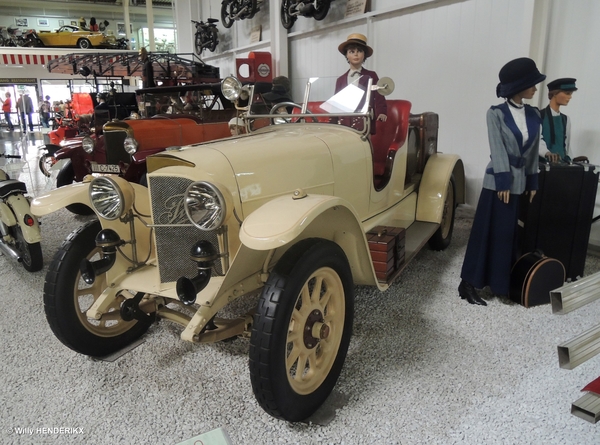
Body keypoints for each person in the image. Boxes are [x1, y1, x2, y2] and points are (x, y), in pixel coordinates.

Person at [458, 57, 546, 306]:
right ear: (519, 86)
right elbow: (496, 149)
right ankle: (468, 283)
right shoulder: (495, 113)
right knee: (486, 233)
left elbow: (530, 156)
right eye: (532, 84)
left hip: (518, 187)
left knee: (507, 236)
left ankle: (499, 283)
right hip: (498, 185)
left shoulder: (533, 115)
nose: (536, 89)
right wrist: (504, 181)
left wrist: (532, 183)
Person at [335, 33, 387, 134]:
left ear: (364, 55)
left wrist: (382, 112)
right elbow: (336, 103)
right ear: (347, 55)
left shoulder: (371, 75)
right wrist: (332, 122)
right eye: (352, 51)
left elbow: (379, 94)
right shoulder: (340, 80)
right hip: (345, 123)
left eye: (359, 51)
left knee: (365, 146)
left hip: (365, 121)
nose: (356, 54)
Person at [540, 78, 578, 163]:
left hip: (561, 166)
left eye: (571, 94)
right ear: (555, 94)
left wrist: (572, 161)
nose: (570, 97)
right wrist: (546, 153)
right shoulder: (539, 116)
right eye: (567, 93)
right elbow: (537, 141)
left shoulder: (565, 119)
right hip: (543, 165)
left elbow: (566, 145)